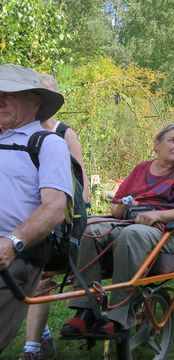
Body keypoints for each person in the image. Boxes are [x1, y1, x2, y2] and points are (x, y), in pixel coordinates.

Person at [60, 124, 174, 337]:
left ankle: (119, 317)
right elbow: (116, 208)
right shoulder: (140, 169)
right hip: (131, 223)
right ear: (157, 144)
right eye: (173, 141)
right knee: (89, 228)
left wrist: (157, 215)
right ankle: (86, 309)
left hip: (170, 233)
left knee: (132, 235)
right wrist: (125, 207)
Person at [0, 64, 71, 354]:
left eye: (10, 93)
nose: (1, 99)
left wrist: (12, 243)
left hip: (15, 255)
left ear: (36, 100)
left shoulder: (47, 144)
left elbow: (55, 208)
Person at [20, 74, 91, 360]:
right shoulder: (18, 132)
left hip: (58, 217)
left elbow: (79, 177)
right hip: (24, 212)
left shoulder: (63, 133)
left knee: (40, 278)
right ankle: (41, 335)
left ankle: (33, 346)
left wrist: (78, 212)